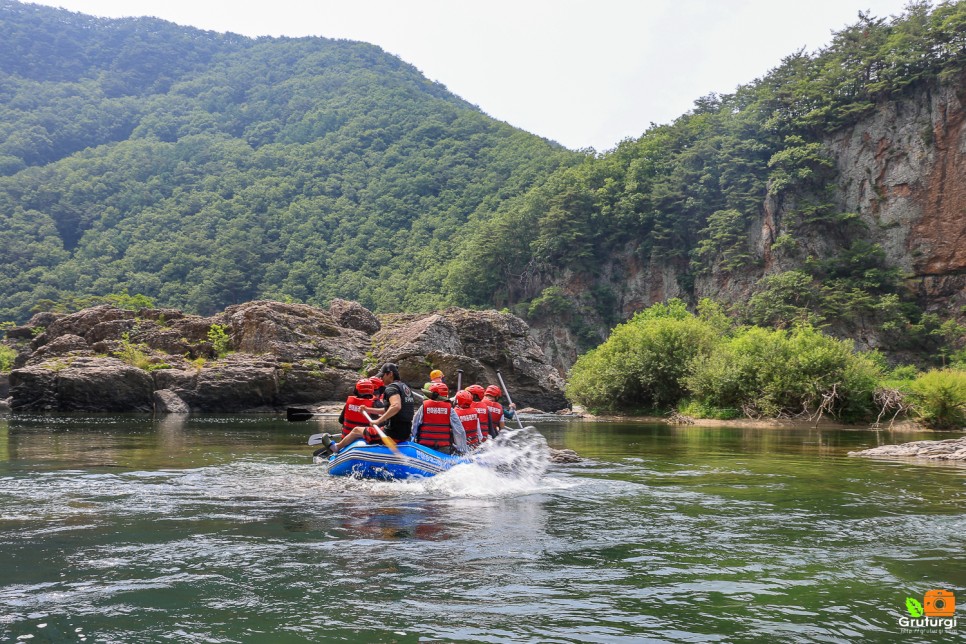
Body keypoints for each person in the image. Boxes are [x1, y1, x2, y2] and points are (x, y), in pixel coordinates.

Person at [331, 362, 415, 453]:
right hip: (405, 433)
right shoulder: (406, 388)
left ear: (390, 374)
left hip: (392, 433)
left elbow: (396, 406)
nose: (380, 378)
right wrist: (368, 409)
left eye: (382, 376)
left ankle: (337, 447)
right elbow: (389, 410)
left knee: (356, 430)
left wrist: (378, 421)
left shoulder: (391, 388)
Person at [410, 382, 468, 454]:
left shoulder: (424, 406)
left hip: (424, 446)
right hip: (443, 447)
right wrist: (462, 450)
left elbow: (414, 425)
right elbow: (459, 431)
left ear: (434, 394)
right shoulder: (450, 409)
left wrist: (412, 441)